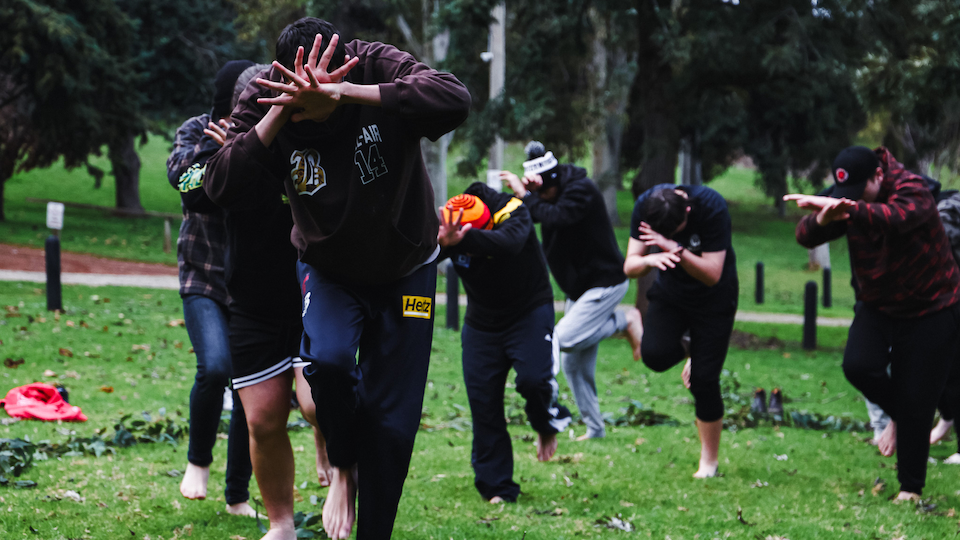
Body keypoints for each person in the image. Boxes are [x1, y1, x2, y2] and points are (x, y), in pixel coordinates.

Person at [205, 17, 470, 540]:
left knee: (394, 421)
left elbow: (453, 97)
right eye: (296, 90)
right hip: (328, 271)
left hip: (408, 271)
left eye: (316, 88)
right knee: (327, 361)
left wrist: (347, 93)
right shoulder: (268, 97)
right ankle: (342, 466)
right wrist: (281, 113)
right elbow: (217, 183)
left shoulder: (373, 62)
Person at [198, 62, 333, 537]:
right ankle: (282, 525)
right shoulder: (224, 151)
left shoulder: (315, 135)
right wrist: (232, 150)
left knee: (317, 404)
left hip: (313, 290)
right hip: (252, 297)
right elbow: (195, 192)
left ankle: (341, 467)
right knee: (262, 418)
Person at [784, 145, 960, 501]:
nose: (848, 200)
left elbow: (896, 218)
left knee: (918, 393)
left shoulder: (913, 189)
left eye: (856, 193)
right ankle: (906, 416)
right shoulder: (849, 195)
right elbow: (805, 235)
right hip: (878, 302)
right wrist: (823, 218)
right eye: (843, 194)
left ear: (879, 176)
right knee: (858, 365)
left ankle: (910, 488)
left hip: (932, 305)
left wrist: (847, 210)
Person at [437, 185, 572, 504]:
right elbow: (419, 252)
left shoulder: (513, 211)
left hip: (529, 312)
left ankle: (545, 421)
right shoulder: (449, 222)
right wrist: (443, 242)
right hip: (482, 324)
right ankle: (497, 486)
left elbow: (509, 244)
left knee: (533, 380)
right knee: (483, 404)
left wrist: (463, 241)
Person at [501, 142, 643, 441]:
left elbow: (555, 217)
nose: (539, 198)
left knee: (562, 338)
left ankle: (624, 321)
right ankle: (595, 429)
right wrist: (528, 196)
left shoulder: (581, 190)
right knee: (575, 365)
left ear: (553, 180)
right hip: (579, 290)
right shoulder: (549, 194)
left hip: (605, 283)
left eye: (543, 193)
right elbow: (538, 213)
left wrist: (526, 195)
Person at [166, 59, 255, 517]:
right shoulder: (196, 130)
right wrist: (214, 151)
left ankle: (237, 493)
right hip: (201, 273)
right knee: (216, 366)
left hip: (247, 282)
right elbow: (186, 186)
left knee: (250, 388)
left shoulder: (263, 134)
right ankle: (198, 462)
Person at [623, 183, 739, 478]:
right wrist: (649, 259)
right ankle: (691, 344)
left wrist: (675, 248)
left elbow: (713, 274)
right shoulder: (646, 207)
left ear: (687, 210)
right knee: (654, 355)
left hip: (715, 298)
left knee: (703, 380)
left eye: (678, 230)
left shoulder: (711, 207)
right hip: (672, 294)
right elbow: (630, 265)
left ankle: (709, 463)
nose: (673, 235)